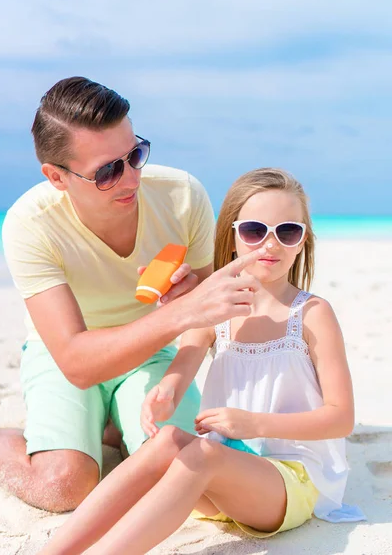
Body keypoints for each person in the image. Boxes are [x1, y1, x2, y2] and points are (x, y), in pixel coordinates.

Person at [38, 167, 365, 555]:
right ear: (231, 237)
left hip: (291, 478)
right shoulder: (217, 308)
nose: (270, 245)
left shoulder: (311, 314)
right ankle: (54, 551)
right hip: (225, 472)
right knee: (170, 442)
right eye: (255, 231)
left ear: (302, 241)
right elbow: (182, 367)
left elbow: (340, 418)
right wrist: (164, 393)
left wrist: (252, 423)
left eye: (287, 231)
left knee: (203, 453)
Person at [0, 76, 261, 513]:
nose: (131, 177)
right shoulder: (30, 223)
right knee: (65, 486)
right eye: (107, 171)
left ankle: (104, 425)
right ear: (57, 177)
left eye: (135, 154)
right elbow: (76, 362)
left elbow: (210, 315)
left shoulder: (182, 196)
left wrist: (186, 333)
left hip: (152, 353)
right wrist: (180, 315)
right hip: (62, 357)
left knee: (174, 475)